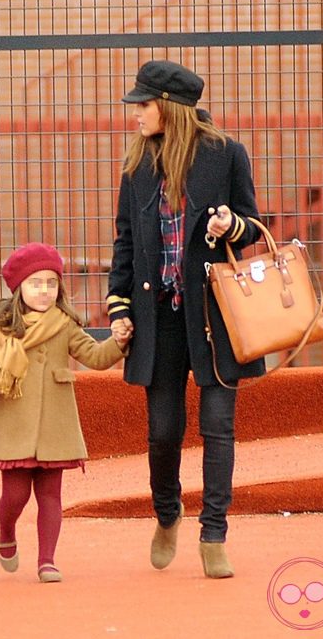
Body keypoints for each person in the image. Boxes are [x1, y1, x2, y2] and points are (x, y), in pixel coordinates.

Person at [106, 60, 266, 579]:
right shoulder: (137, 165)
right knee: (162, 431)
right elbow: (125, 242)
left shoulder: (226, 155)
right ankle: (167, 513)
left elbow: (253, 228)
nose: (135, 114)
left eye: (143, 105)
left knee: (218, 427)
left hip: (216, 314)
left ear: (170, 109)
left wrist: (229, 223)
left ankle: (214, 533)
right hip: (159, 318)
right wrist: (119, 307)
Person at [0, 242, 130, 583]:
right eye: (35, 283)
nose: (44, 291)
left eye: (51, 283)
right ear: (18, 288)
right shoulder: (1, 327)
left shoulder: (65, 324)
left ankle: (47, 560)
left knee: (50, 495)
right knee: (14, 496)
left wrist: (119, 342)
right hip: (14, 424)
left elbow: (96, 358)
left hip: (56, 425)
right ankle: (6, 530)